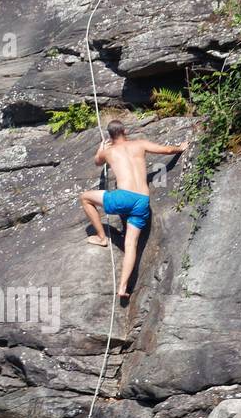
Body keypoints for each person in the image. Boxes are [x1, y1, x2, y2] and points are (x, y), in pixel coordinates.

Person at [78, 120, 187, 304]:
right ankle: (122, 286)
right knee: (131, 244)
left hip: (123, 198)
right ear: (125, 131)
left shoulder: (108, 151)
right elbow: (167, 150)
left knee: (85, 198)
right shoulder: (140, 144)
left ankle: (102, 238)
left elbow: (97, 162)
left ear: (110, 137)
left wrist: (100, 148)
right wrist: (180, 147)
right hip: (142, 202)